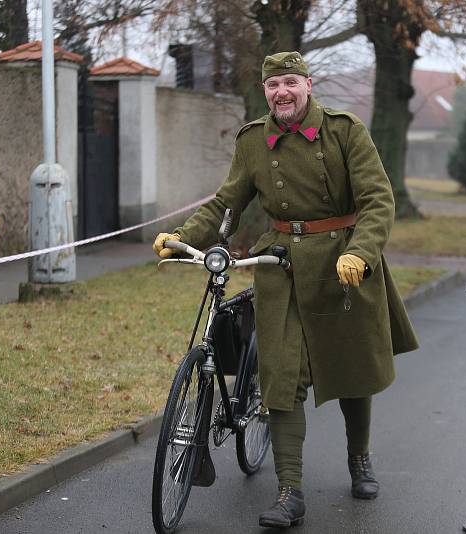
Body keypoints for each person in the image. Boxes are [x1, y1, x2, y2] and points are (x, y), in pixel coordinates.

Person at [153, 51, 418, 528]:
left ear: (308, 85)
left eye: (290, 83)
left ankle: (359, 458)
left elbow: (378, 198)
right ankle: (289, 491)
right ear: (266, 91)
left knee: (353, 367)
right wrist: (183, 237)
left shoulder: (344, 130)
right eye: (273, 85)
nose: (282, 93)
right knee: (280, 377)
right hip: (280, 263)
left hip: (344, 262)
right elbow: (227, 200)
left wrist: (361, 251)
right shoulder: (254, 140)